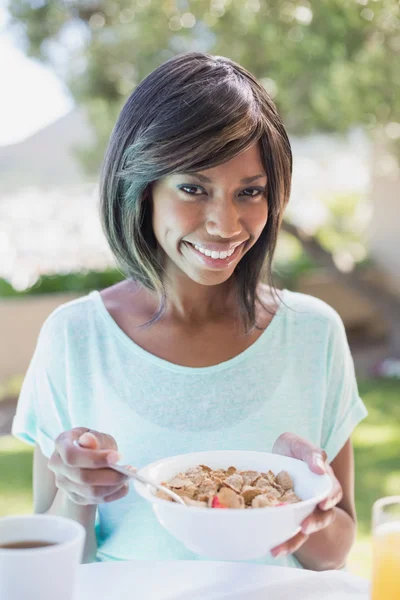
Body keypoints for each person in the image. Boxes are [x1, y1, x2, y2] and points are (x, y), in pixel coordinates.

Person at [12, 52, 367, 570]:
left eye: (250, 192)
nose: (226, 224)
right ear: (142, 188)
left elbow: (333, 552)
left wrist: (306, 504)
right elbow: (60, 561)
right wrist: (79, 491)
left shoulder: (313, 334)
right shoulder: (76, 338)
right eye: (193, 188)